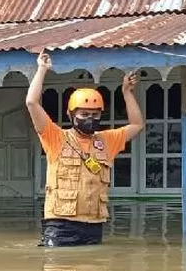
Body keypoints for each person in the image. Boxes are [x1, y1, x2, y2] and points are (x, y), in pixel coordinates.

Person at [25, 50, 144, 247]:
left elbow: (137, 125)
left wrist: (126, 93)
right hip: (60, 224)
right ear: (71, 115)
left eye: (95, 115)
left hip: (93, 225)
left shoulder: (106, 141)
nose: (90, 119)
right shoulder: (56, 138)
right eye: (84, 114)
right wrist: (42, 69)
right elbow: (31, 102)